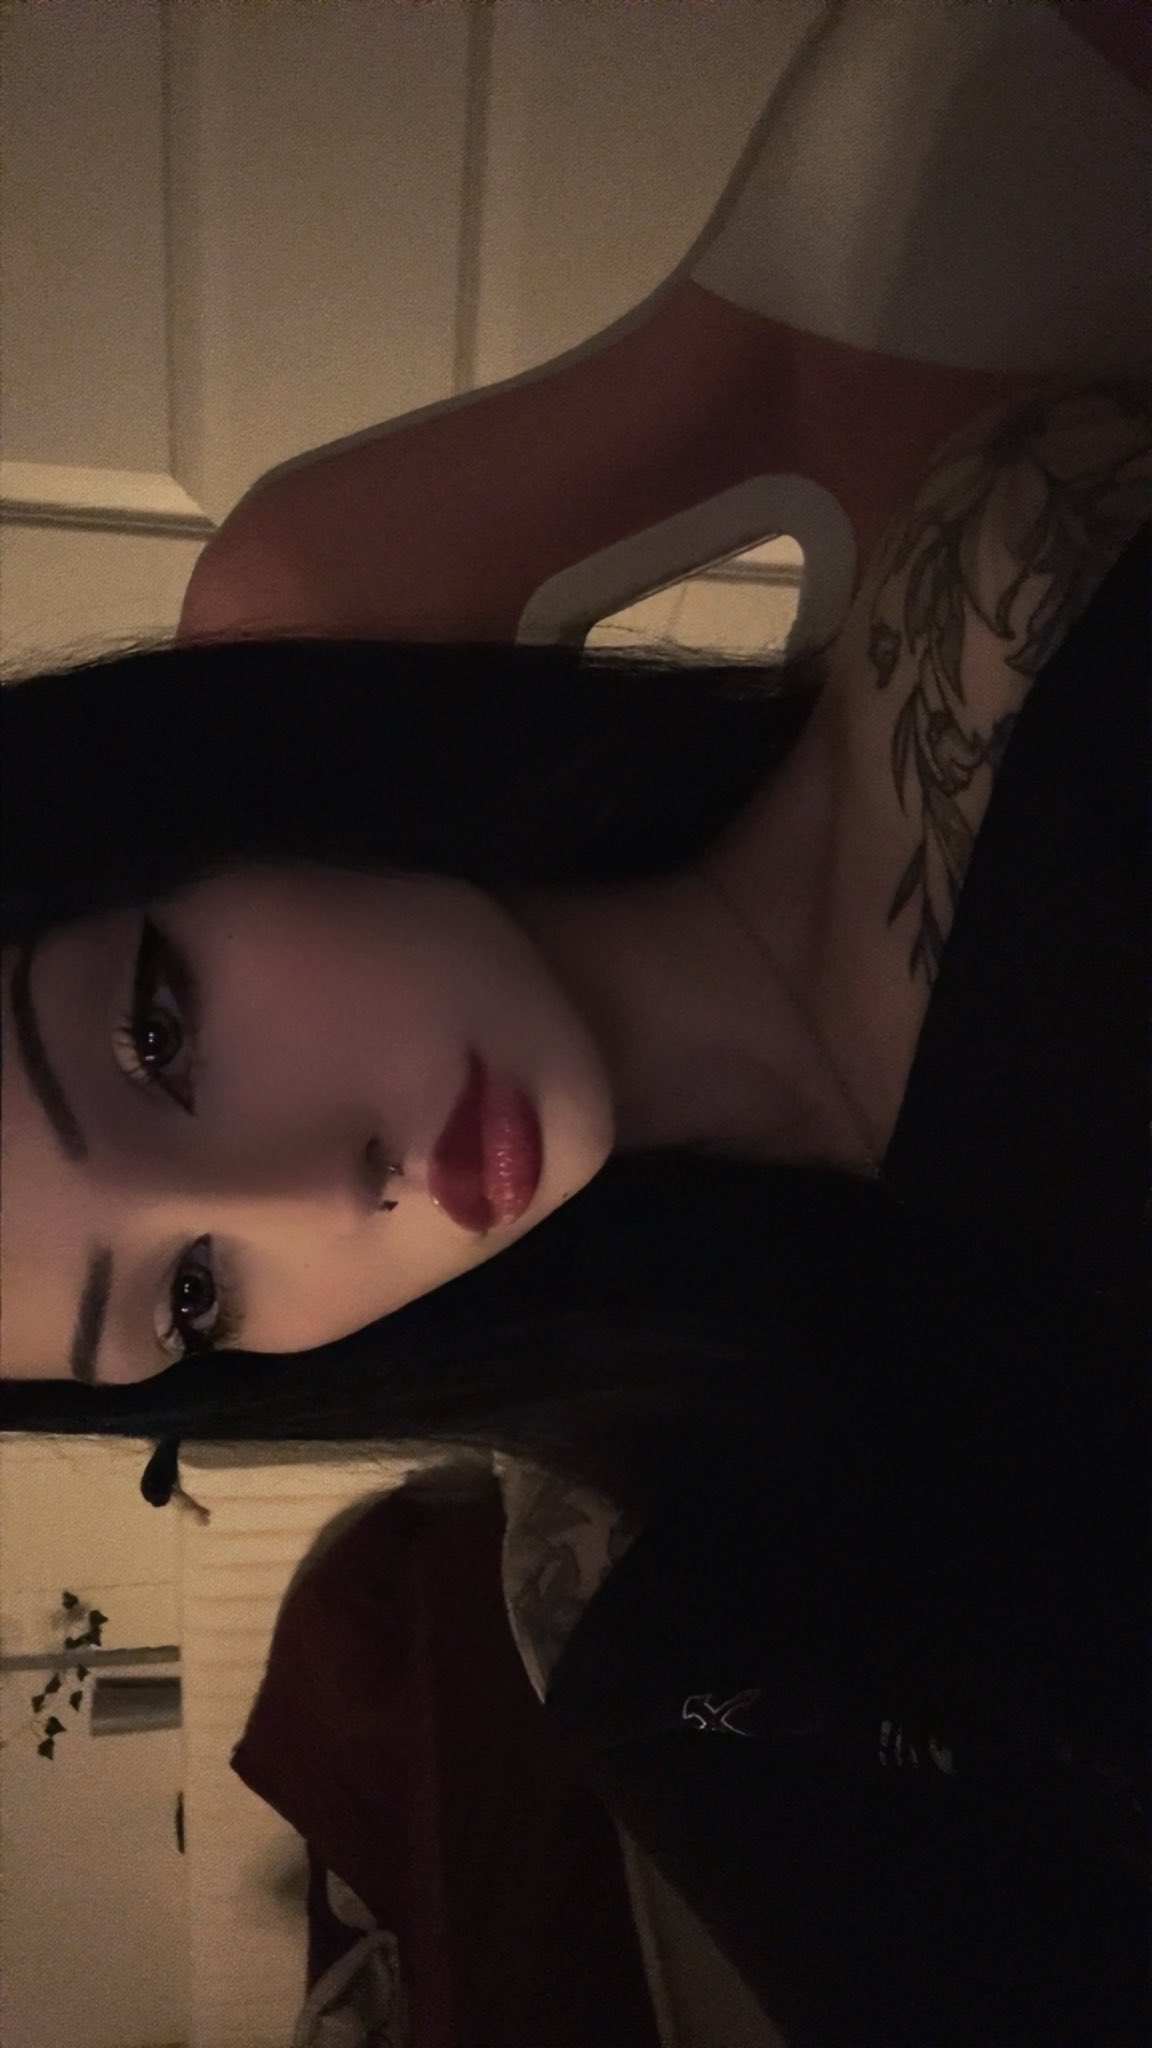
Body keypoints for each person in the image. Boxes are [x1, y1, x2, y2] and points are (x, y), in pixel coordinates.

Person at [2, 377, 1149, 2040]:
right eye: (189, 1295)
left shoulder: (1023, 612)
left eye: (156, 1032)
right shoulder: (649, 1626)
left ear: (195, 800)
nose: (322, 1191)